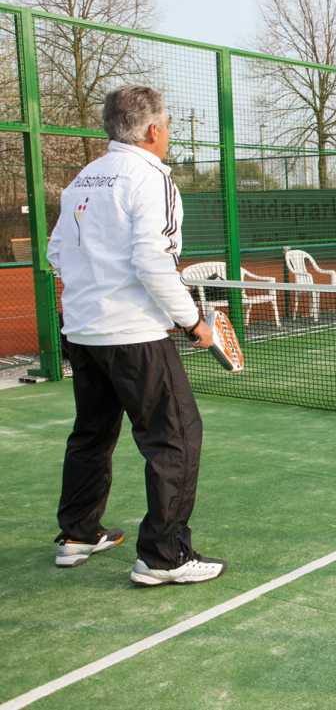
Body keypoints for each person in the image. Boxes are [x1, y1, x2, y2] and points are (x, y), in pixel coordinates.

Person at [47, 85, 227, 586]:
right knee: (177, 436)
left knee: (92, 433)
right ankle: (164, 556)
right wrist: (194, 325)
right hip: (134, 338)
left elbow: (56, 254)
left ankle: (79, 533)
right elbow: (153, 260)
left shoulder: (82, 179)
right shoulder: (151, 177)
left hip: (82, 333)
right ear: (153, 130)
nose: (167, 135)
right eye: (167, 126)